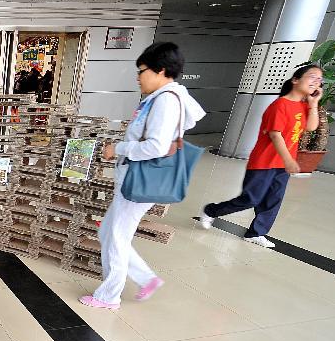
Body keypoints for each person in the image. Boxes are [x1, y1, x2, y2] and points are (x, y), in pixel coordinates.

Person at [79, 42, 205, 310]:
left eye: (142, 71)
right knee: (109, 233)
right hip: (134, 177)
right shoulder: (168, 97)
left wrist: (118, 149)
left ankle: (108, 296)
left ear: (160, 70)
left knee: (116, 236)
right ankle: (146, 278)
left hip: (138, 179)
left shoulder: (166, 101)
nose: (138, 77)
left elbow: (156, 146)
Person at [199, 64, 322, 247]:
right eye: (312, 76)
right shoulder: (280, 105)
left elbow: (311, 127)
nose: (316, 82)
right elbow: (275, 134)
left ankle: (255, 233)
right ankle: (211, 210)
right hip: (264, 163)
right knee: (251, 199)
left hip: (281, 166)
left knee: (273, 200)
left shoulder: (303, 106)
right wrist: (289, 159)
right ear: (295, 80)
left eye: (319, 79)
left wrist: (313, 104)